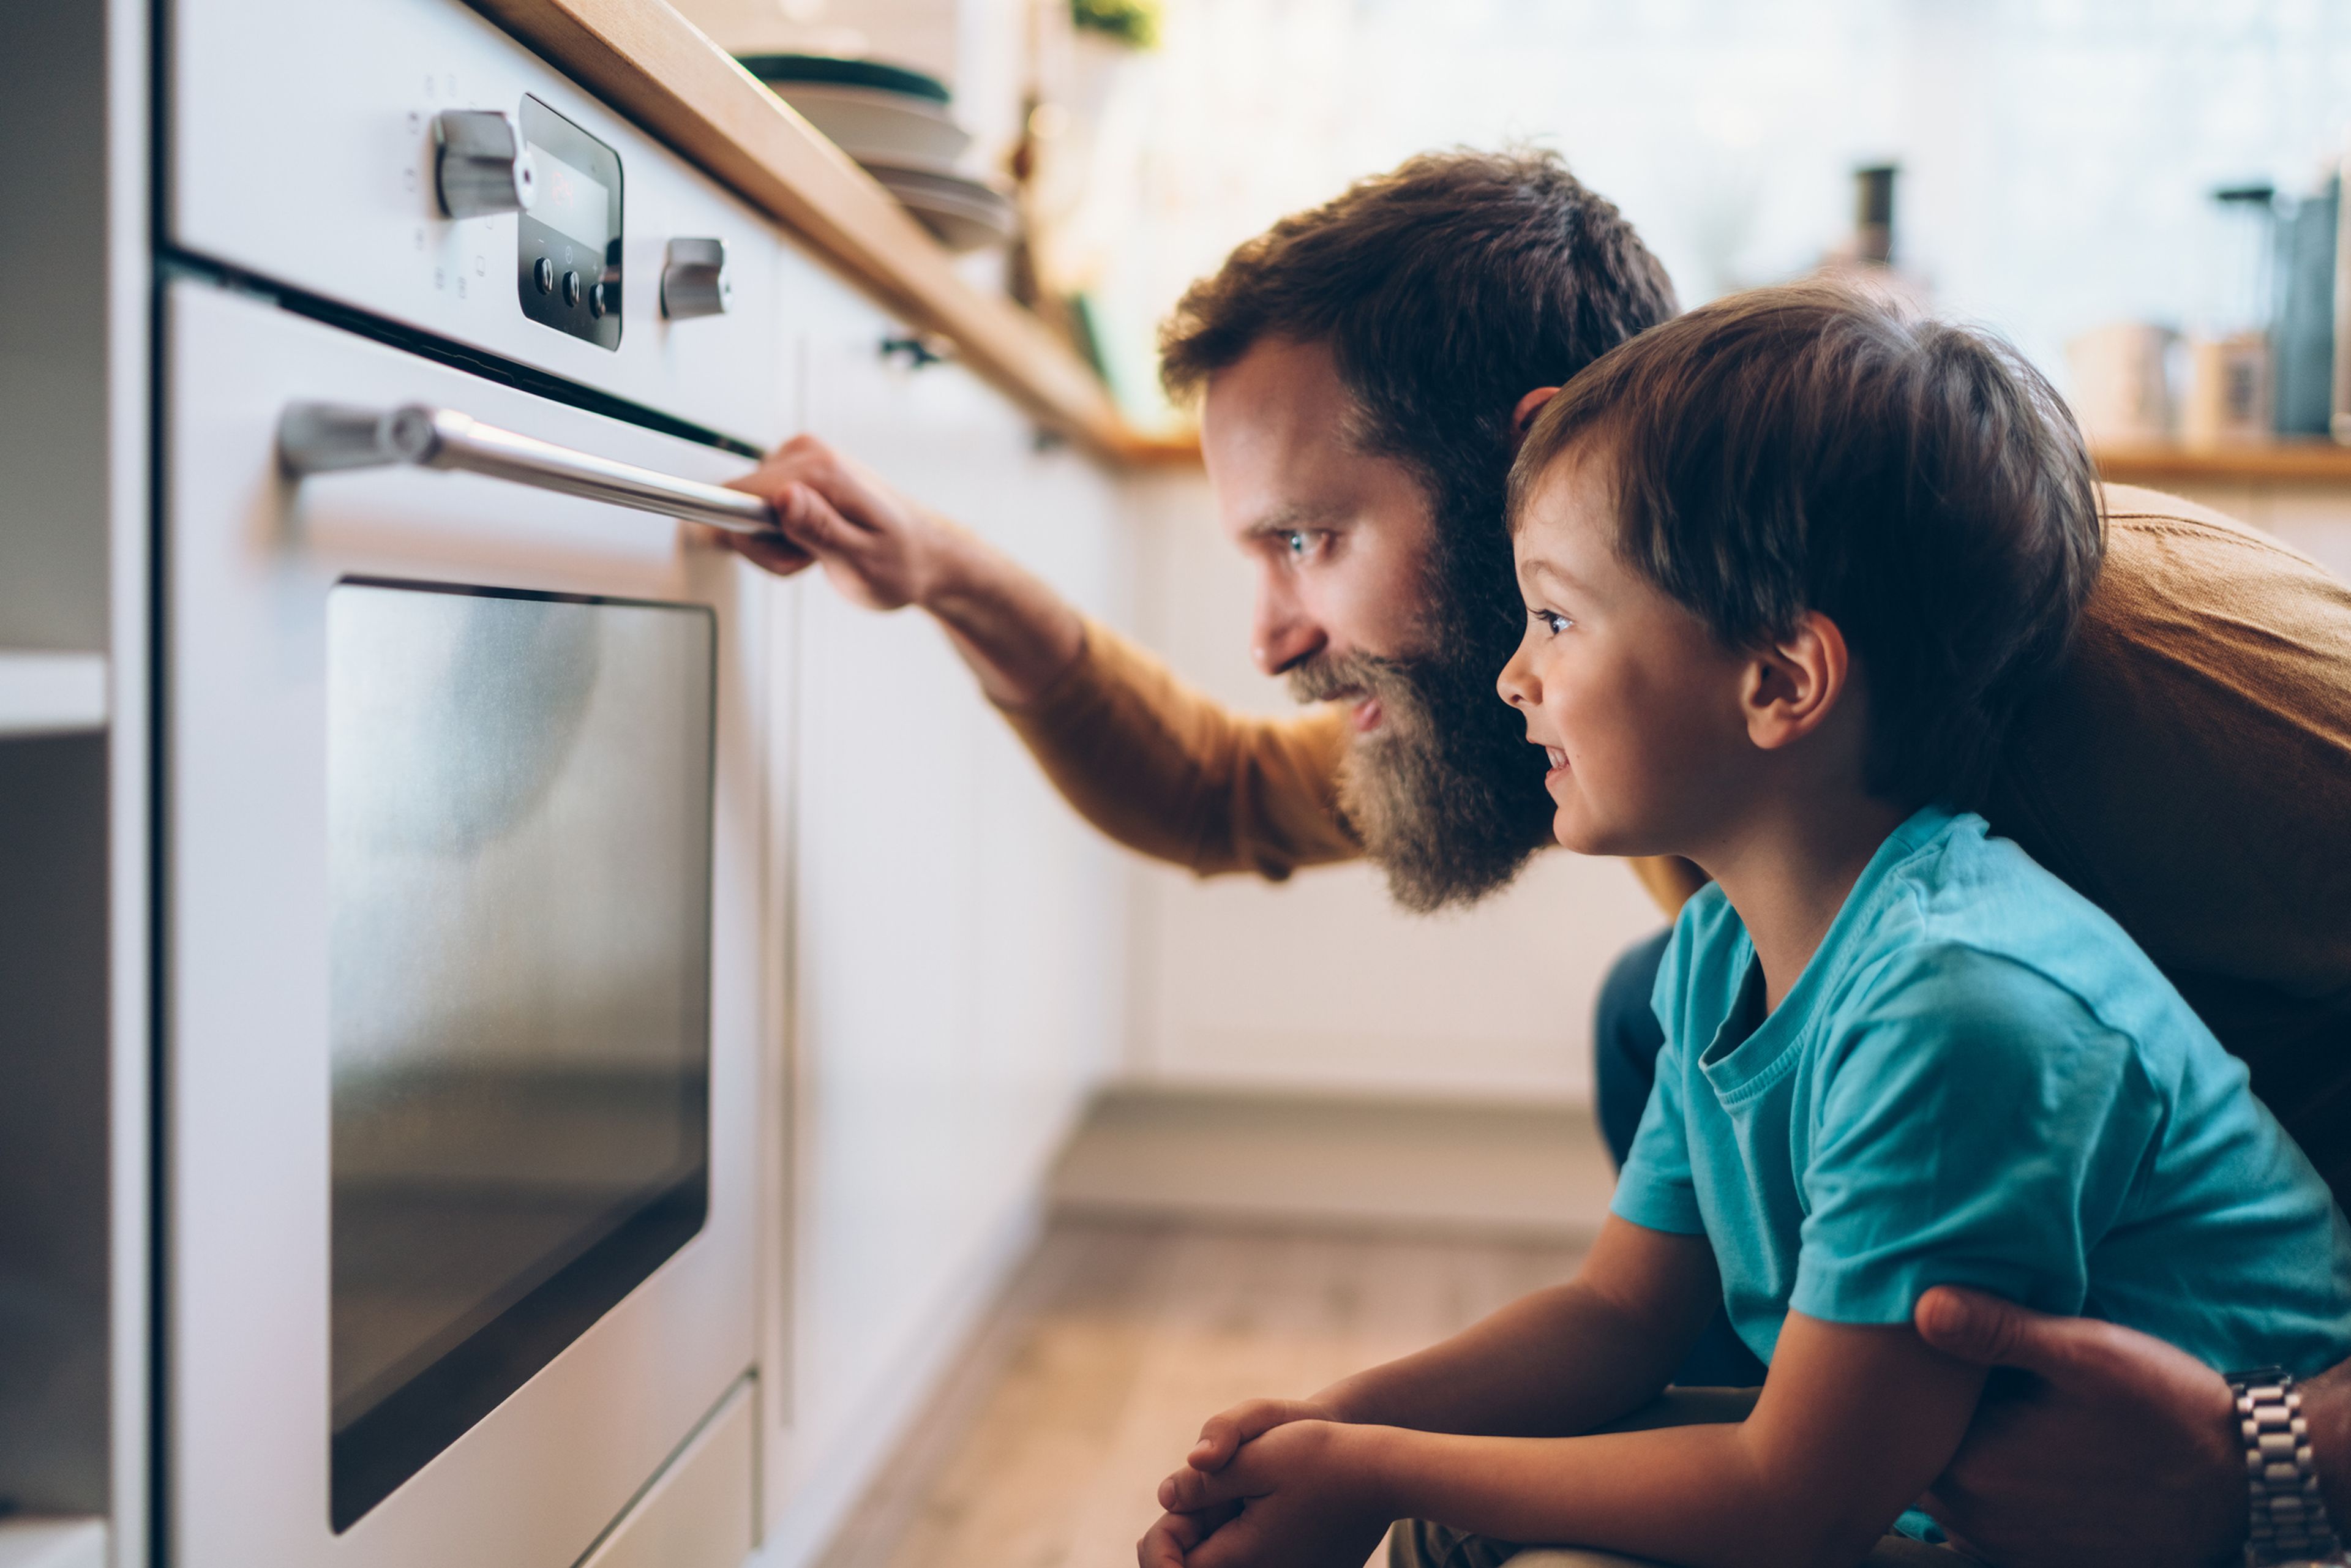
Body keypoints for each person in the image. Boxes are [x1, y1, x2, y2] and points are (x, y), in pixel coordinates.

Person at [710, 149, 2351, 1564]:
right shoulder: (1658, 713)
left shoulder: (2160, 678)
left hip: (2262, 1323)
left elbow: (1798, 1491)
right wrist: (943, 571)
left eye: (1312, 537)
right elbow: (1217, 793)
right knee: (1660, 1014)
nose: (1279, 633)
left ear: (1527, 455)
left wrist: (2274, 1460)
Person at [1142, 282, 2351, 1568]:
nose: (1513, 676)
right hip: (1938, 1479)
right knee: (1449, 1519)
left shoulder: (1962, 1010)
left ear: (1781, 682)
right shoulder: (1729, 944)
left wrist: (1370, 1465)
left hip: (2223, 1523)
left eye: (1555, 619)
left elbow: (1792, 1502)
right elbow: (1620, 1314)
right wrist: (1330, 1430)